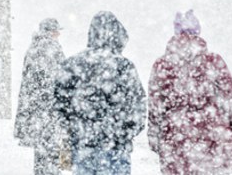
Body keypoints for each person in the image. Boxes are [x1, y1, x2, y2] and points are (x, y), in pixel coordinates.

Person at [148, 10, 232, 175]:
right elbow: (230, 100)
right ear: (198, 31)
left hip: (175, 141)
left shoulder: (161, 65)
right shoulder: (213, 62)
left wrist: (154, 138)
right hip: (214, 140)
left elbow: (155, 107)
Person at [55, 11, 146, 175]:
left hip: (83, 146)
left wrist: (75, 129)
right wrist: (123, 134)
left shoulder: (73, 64)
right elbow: (138, 108)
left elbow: (60, 104)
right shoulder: (124, 66)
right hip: (116, 148)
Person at [14, 18, 66, 175]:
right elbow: (60, 78)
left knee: (41, 153)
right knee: (51, 152)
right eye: (57, 31)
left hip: (34, 108)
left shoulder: (32, 48)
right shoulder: (52, 48)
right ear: (51, 32)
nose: (58, 34)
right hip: (49, 109)